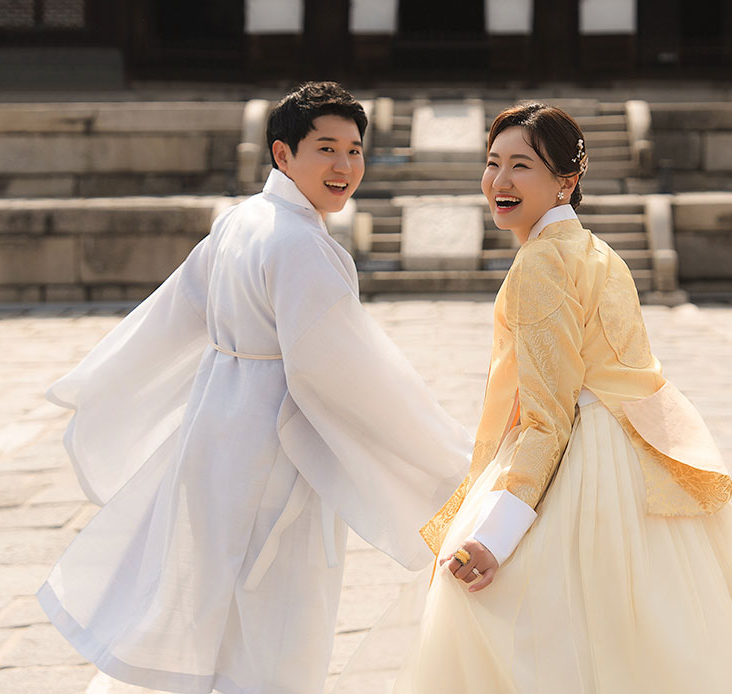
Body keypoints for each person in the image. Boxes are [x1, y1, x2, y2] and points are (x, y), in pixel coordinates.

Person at [37, 81, 472, 694]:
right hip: (278, 448)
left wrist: (102, 384)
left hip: (213, 433)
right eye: (326, 149)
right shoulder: (300, 244)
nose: (345, 166)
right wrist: (454, 464)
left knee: (207, 591)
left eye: (354, 150)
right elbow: (354, 378)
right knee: (279, 613)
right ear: (282, 154)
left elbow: (172, 317)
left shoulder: (240, 220)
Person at [396, 103, 732, 693]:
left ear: (565, 181)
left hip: (580, 464)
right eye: (492, 163)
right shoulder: (596, 250)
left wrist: (495, 537)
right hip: (633, 458)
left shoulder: (540, 263)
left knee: (514, 627)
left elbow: (548, 419)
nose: (500, 181)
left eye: (521, 165)